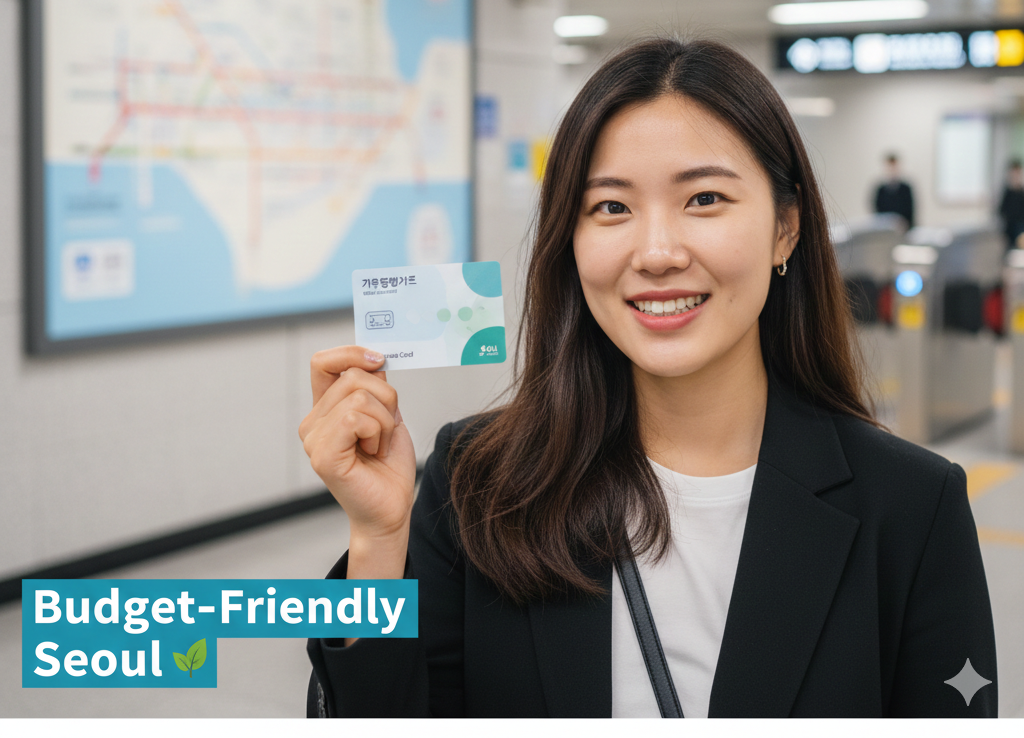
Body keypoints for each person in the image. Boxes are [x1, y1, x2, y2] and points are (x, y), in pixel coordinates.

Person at [300, 37, 996, 718]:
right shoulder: (476, 481)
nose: (656, 252)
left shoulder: (910, 506)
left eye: (704, 200)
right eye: (611, 208)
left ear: (785, 228)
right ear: (569, 242)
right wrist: (376, 541)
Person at [873, 154, 915, 229]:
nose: (892, 170)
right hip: (885, 230)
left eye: (894, 167)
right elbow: (878, 213)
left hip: (904, 230)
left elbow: (910, 213)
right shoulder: (880, 191)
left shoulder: (906, 189)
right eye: (890, 167)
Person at [998, 159, 1024, 249]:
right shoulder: (1007, 192)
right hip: (1009, 229)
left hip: (1020, 229)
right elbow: (1001, 210)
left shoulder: (1021, 192)